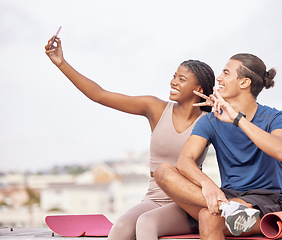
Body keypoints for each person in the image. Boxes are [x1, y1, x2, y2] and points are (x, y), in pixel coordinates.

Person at [44, 36, 215, 240]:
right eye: (174, 76)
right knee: (121, 227)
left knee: (146, 223)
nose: (173, 82)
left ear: (199, 90)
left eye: (182, 79)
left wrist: (222, 108)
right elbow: (100, 95)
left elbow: (244, 132)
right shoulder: (156, 108)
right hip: (154, 197)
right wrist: (61, 63)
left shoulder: (211, 121)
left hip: (186, 204)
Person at [154, 53, 282, 239]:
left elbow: (280, 150)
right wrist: (207, 184)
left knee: (208, 217)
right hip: (226, 196)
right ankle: (227, 208)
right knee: (162, 171)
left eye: (226, 73)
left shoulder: (276, 118)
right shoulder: (211, 120)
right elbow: (185, 161)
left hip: (264, 201)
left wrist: (237, 119)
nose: (218, 78)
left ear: (244, 83)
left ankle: (229, 209)